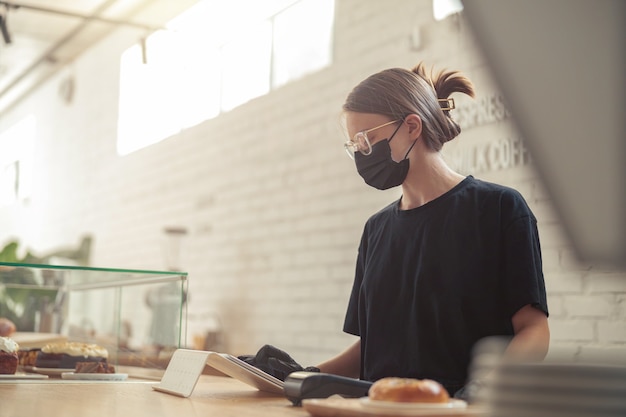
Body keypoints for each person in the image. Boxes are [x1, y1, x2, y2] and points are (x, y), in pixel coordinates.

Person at [241, 63, 549, 399]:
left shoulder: (499, 209)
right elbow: (372, 349)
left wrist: (482, 393)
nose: (361, 153)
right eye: (354, 145)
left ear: (412, 127)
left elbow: (533, 331)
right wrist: (302, 375)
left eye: (366, 139)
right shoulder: (376, 230)